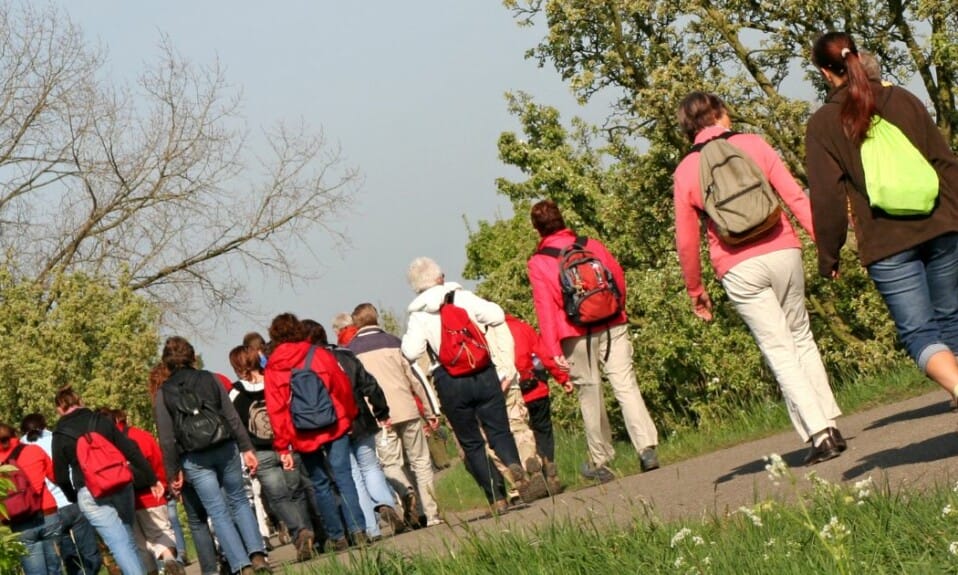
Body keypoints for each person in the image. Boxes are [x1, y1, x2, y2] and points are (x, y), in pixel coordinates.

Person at [673, 91, 845, 463]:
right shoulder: (753, 143)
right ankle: (830, 423)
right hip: (783, 249)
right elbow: (795, 197)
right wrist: (825, 244)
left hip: (737, 265)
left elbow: (686, 240)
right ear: (719, 113)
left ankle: (818, 435)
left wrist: (695, 288)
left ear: (688, 128)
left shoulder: (686, 170)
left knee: (778, 349)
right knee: (800, 336)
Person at [805, 33, 958, 410]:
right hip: (940, 225)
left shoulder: (824, 123)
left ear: (826, 73)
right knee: (952, 319)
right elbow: (944, 163)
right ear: (856, 57)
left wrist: (830, 255)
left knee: (920, 332)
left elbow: (827, 199)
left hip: (886, 243)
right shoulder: (903, 98)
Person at [527, 200, 660, 481]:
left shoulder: (539, 262)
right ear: (562, 219)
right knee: (626, 385)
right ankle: (646, 448)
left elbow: (546, 310)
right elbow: (618, 277)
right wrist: (618, 308)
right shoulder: (591, 244)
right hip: (612, 323)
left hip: (574, 334)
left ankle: (601, 460)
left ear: (536, 229)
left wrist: (552, 352)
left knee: (590, 394)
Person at [400, 257, 541, 512]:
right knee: (499, 431)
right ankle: (512, 464)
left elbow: (410, 352)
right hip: (483, 371)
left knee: (472, 442)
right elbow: (497, 315)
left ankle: (496, 498)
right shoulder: (462, 298)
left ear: (416, 287)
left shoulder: (418, 314)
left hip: (450, 380)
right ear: (440, 276)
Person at [153, 336, 271, 575]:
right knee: (239, 501)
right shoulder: (210, 378)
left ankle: (241, 565)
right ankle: (257, 555)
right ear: (191, 356)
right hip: (225, 448)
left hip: (194, 458)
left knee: (217, 511)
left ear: (167, 364)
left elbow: (166, 438)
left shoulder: (163, 394)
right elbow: (231, 416)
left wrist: (172, 472)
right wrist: (247, 448)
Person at [263, 313, 367, 551]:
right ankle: (358, 529)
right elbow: (341, 386)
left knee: (319, 484)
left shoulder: (273, 368)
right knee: (343, 477)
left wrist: (282, 446)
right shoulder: (317, 354)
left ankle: (337, 536)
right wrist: (349, 415)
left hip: (302, 432)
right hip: (334, 422)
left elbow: (276, 409)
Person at [302, 319, 406, 539]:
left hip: (335, 425)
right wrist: (381, 411)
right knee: (371, 467)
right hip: (361, 420)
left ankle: (370, 527)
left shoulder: (310, 364)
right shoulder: (346, 355)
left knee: (353, 476)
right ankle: (386, 504)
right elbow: (370, 384)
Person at [347, 303, 443, 527]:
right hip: (406, 409)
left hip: (378, 417)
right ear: (376, 318)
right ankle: (431, 513)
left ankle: (404, 490)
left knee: (391, 464)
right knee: (419, 461)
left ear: (355, 324)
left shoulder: (351, 352)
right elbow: (415, 378)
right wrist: (431, 410)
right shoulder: (394, 342)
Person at [52, 387, 161, 575]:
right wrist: (152, 479)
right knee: (128, 536)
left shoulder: (60, 434)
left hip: (89, 491)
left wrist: (74, 496)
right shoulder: (100, 420)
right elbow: (130, 450)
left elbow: (60, 476)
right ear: (81, 401)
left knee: (118, 544)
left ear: (59, 409)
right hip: (120, 484)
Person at [228, 344, 316, 562]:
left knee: (278, 498)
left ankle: (300, 532)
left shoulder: (235, 392)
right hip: (287, 443)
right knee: (297, 492)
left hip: (260, 451)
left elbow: (233, 423)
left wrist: (244, 449)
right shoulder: (275, 380)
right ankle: (311, 533)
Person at [148, 363, 219, 575]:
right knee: (219, 511)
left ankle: (209, 569)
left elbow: (167, 442)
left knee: (197, 520)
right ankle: (231, 556)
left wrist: (172, 475)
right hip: (210, 452)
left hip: (184, 465)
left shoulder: (161, 401)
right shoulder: (191, 392)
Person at [20, 413, 102, 575]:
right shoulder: (56, 437)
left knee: (67, 555)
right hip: (72, 499)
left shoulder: (21, 449)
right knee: (88, 548)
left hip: (49, 509)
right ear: (44, 424)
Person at [107, 409, 184, 575]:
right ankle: (169, 558)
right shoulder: (140, 435)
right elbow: (158, 460)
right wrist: (163, 484)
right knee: (160, 532)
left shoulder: (106, 444)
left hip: (125, 500)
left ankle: (151, 572)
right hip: (151, 494)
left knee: (140, 544)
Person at [505, 313, 571, 493]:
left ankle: (533, 471)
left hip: (514, 394)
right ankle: (549, 466)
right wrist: (563, 378)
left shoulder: (491, 333)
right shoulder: (523, 327)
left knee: (522, 433)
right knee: (544, 430)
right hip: (537, 389)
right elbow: (544, 355)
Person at [1, 422, 62, 575]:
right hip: (48, 513)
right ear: (14, 434)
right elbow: (56, 476)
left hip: (19, 521)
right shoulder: (33, 450)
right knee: (55, 569)